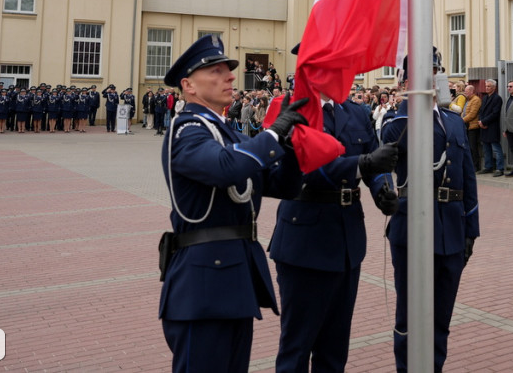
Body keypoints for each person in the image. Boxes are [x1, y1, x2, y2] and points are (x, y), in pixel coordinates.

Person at [158, 34, 307, 373]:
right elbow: (226, 168)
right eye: (215, 70)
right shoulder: (187, 130)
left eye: (228, 70)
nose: (228, 77)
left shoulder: (232, 135)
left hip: (236, 278)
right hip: (202, 285)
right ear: (188, 85)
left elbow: (283, 185)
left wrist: (295, 142)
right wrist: (271, 135)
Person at [268, 45, 398, 373]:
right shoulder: (293, 109)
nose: (346, 73)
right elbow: (307, 165)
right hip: (305, 240)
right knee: (297, 345)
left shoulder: (353, 112)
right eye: (337, 66)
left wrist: (383, 186)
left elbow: (374, 155)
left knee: (334, 347)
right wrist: (364, 163)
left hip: (346, 240)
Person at [380, 50, 479, 373]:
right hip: (412, 230)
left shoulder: (452, 120)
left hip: (451, 229)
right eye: (428, 70)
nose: (435, 75)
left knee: (441, 317)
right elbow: (391, 141)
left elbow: (468, 178)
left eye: (437, 69)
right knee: (410, 315)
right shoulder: (401, 120)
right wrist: (413, 99)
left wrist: (471, 230)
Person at [477, 79, 504, 176]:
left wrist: (484, 121)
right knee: (486, 148)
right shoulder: (485, 98)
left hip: (492, 126)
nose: (487, 88)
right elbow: (481, 111)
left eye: (489, 86)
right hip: (483, 126)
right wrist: (480, 121)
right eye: (486, 86)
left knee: (496, 148)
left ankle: (500, 169)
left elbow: (495, 113)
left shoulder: (497, 98)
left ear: (494, 87)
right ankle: (488, 167)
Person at [460, 84, 482, 171]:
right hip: (467, 126)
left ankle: (476, 166)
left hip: (473, 127)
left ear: (472, 91)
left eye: (466, 91)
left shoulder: (476, 100)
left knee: (473, 147)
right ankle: (470, 165)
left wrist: (461, 120)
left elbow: (472, 114)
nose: (465, 93)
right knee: (468, 147)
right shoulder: (468, 100)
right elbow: (464, 111)